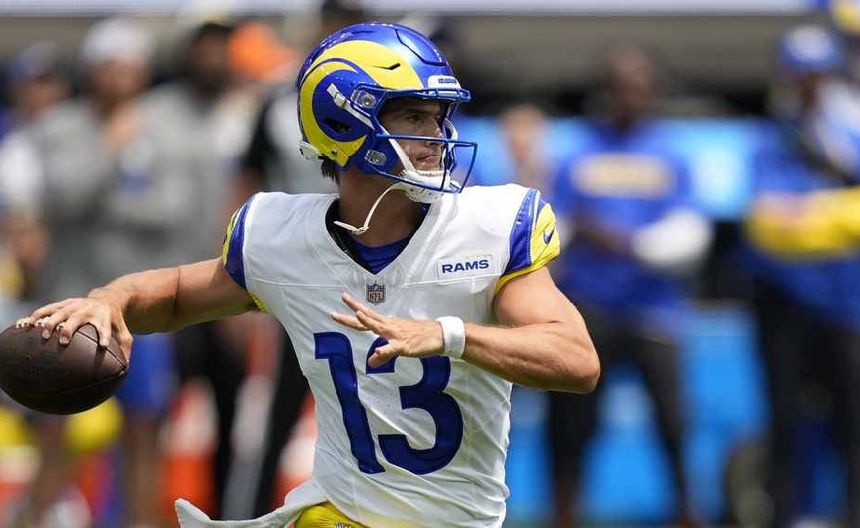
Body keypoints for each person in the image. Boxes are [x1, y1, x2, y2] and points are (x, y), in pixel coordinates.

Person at [21, 22, 600, 527]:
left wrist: (449, 334)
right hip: (337, 513)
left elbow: (576, 360)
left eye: (438, 117)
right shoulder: (281, 238)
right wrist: (109, 300)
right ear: (343, 122)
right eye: (414, 116)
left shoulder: (488, 226)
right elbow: (174, 293)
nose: (436, 136)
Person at [548, 46, 710, 527]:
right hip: (589, 309)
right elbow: (555, 227)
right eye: (621, 88)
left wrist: (629, 243)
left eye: (639, 88)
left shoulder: (671, 153)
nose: (630, 97)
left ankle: (686, 512)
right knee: (572, 423)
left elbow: (688, 232)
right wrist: (584, 233)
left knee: (673, 422)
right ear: (604, 92)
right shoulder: (576, 152)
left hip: (655, 310)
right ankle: (565, 514)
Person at [742, 24, 860, 528]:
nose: (808, 84)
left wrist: (807, 217)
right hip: (783, 302)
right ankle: (788, 516)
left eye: (817, 74)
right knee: (786, 419)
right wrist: (840, 216)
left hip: (847, 305)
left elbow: (793, 222)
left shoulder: (851, 134)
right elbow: (768, 224)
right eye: (800, 74)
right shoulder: (770, 138)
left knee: (853, 421)